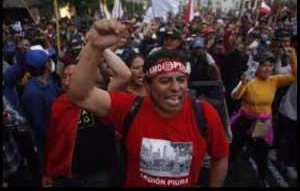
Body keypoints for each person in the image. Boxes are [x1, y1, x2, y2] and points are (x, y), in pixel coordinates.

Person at [67, 20, 229, 187]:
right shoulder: (130, 107)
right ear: (147, 86)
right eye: (165, 81)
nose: (176, 88)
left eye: (181, 80)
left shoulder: (204, 113)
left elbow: (221, 156)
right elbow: (80, 94)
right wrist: (94, 46)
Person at [44, 50, 131, 187]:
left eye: (72, 77)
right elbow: (53, 141)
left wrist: (100, 47)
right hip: (68, 177)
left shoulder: (100, 99)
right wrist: (48, 171)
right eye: (64, 77)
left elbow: (124, 76)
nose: (67, 82)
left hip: (99, 175)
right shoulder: (58, 104)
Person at [230, 48, 297, 187]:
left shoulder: (274, 80)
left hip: (262, 123)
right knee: (234, 149)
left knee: (262, 152)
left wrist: (293, 57)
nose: (267, 69)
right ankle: (225, 172)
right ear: (256, 66)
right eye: (263, 65)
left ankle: (261, 178)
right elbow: (234, 96)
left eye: (270, 65)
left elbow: (294, 76)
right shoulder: (249, 79)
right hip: (245, 121)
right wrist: (243, 83)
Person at [21, 45, 63, 180]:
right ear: (45, 65)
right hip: (51, 145)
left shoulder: (48, 81)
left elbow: (58, 94)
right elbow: (40, 127)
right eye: (49, 59)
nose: (52, 61)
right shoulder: (32, 94)